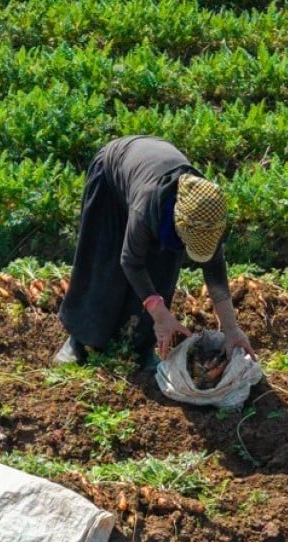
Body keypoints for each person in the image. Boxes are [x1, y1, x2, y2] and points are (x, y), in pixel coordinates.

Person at [53, 135, 254, 371]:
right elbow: (130, 260)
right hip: (111, 174)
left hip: (151, 177)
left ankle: (141, 347)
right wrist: (159, 314)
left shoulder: (208, 213)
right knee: (103, 264)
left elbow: (215, 272)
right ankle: (80, 340)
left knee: (162, 273)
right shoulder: (147, 204)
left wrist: (231, 328)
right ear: (179, 224)